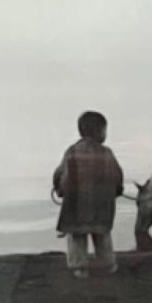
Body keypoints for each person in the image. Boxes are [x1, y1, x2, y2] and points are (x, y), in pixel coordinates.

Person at [51, 111, 124, 278]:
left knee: (77, 236)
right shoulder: (107, 153)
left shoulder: (72, 151)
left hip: (76, 205)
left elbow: (61, 175)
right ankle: (108, 264)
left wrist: (59, 189)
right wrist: (117, 190)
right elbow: (117, 175)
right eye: (105, 130)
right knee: (102, 235)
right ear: (99, 132)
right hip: (102, 205)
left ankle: (79, 267)